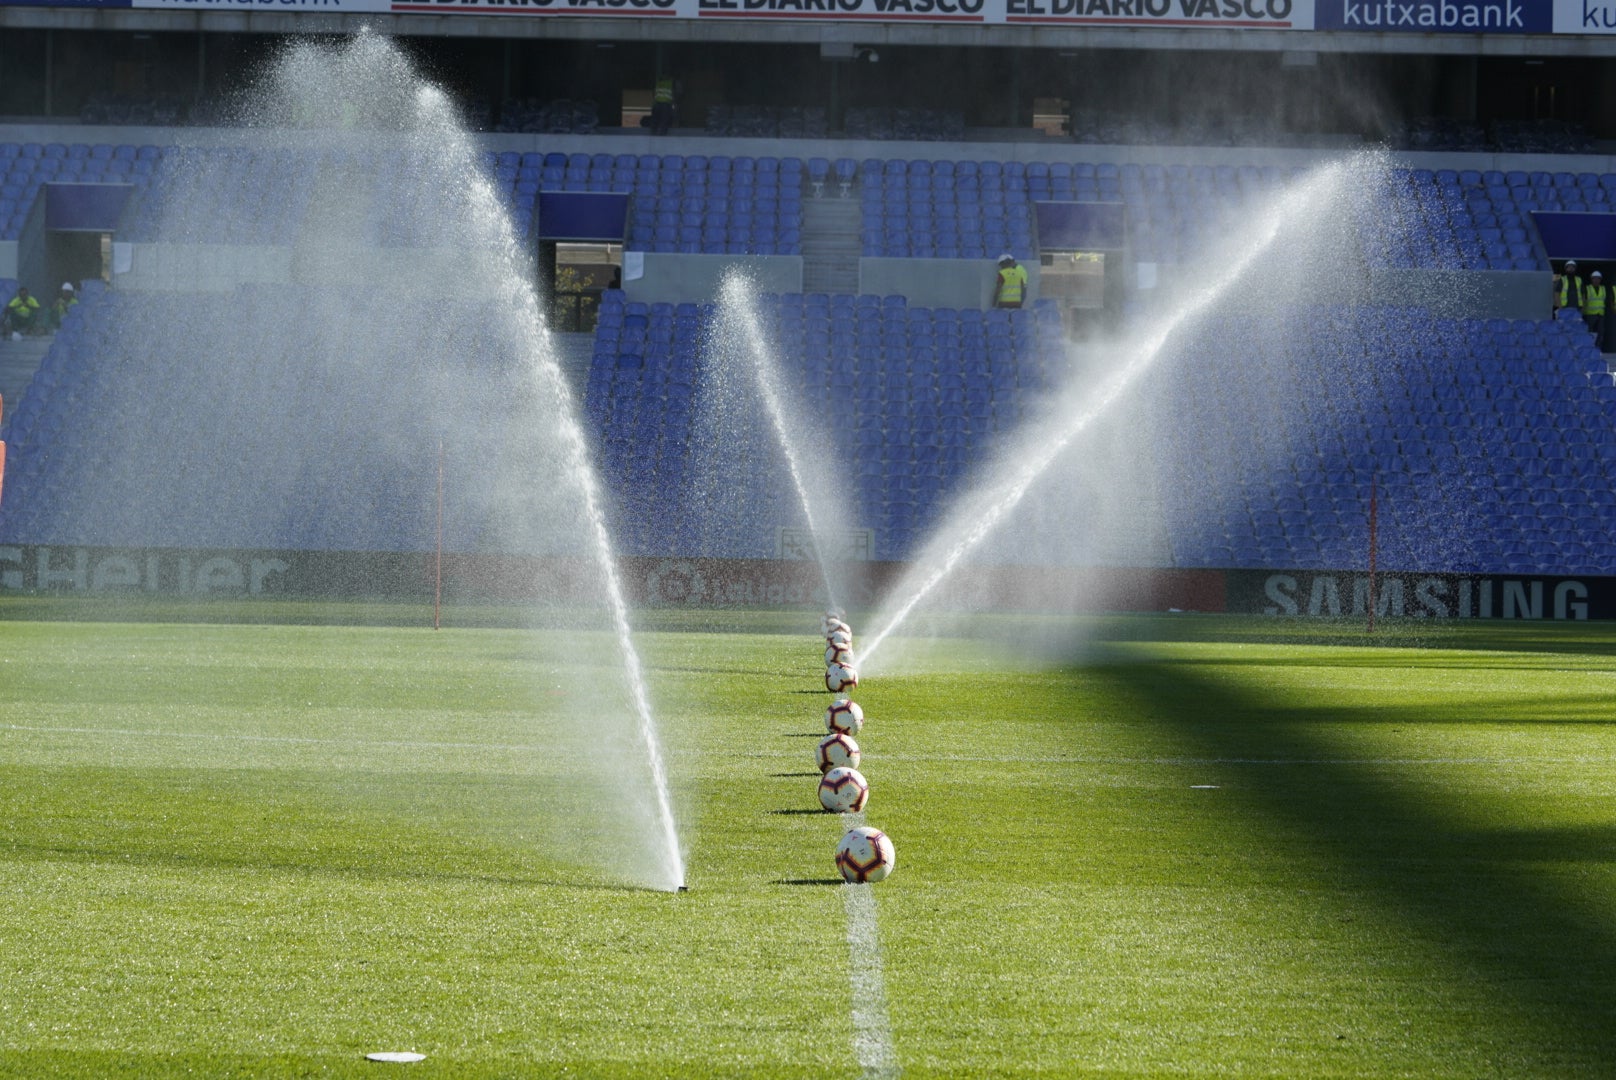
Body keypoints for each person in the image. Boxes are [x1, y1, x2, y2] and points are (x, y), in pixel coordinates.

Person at [1585, 270, 1608, 352]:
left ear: (1600, 279)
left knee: (1601, 332)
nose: (1596, 280)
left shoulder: (1603, 288)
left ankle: (1598, 349)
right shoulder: (1588, 288)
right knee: (1589, 332)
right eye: (1594, 278)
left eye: (1598, 279)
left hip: (1601, 314)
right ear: (1591, 279)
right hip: (1590, 314)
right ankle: (1589, 349)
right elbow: (1584, 301)